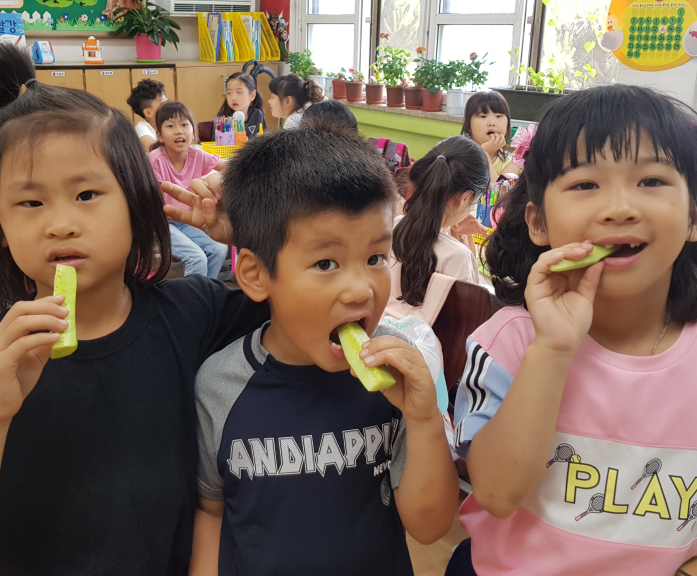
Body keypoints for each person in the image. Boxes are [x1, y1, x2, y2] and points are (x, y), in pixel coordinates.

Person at [0, 43, 269, 576]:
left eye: (87, 195)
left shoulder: (194, 312)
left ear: (139, 205)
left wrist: (249, 233)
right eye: (30, 202)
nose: (59, 224)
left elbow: (313, 311)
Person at [446, 84, 697, 576]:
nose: (619, 208)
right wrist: (553, 348)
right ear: (538, 222)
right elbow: (498, 494)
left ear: (695, 214)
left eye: (651, 181)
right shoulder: (508, 344)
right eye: (585, 184)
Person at [171, 128, 457, 575]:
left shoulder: (402, 374)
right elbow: (212, 511)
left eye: (377, 258)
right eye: (326, 263)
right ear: (254, 274)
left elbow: (430, 528)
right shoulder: (220, 384)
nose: (361, 288)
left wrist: (424, 419)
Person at [390, 136, 490, 312]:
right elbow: (468, 315)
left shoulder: (394, 227)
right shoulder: (456, 256)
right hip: (426, 339)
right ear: (465, 198)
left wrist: (456, 235)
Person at [149, 101, 228, 279]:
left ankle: (208, 293)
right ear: (159, 135)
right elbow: (154, 202)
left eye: (185, 124)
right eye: (170, 126)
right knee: (197, 258)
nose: (179, 131)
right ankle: (194, 302)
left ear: (193, 132)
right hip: (164, 223)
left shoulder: (197, 154)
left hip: (188, 220)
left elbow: (229, 169)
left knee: (219, 248)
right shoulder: (156, 159)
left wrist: (217, 180)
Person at [461, 90, 519, 183]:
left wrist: (520, 157)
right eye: (483, 116)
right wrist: (484, 153)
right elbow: (490, 189)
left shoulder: (508, 160)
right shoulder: (461, 156)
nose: (492, 123)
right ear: (468, 125)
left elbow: (500, 193)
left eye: (499, 116)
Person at [215, 72, 267, 139]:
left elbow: (259, 138)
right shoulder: (223, 116)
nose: (233, 98)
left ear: (252, 96)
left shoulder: (257, 114)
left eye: (239, 92)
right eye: (229, 93)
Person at [128, 78, 167, 152]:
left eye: (166, 101)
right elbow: (151, 147)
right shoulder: (142, 127)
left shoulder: (167, 124)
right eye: (162, 103)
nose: (168, 106)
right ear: (148, 112)